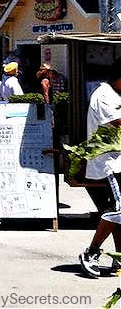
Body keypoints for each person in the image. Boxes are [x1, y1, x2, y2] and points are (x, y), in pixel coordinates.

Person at [79, 59, 121, 278]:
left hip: (118, 162)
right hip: (109, 163)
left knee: (120, 214)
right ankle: (91, 252)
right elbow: (118, 122)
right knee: (118, 210)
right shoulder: (104, 95)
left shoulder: (116, 95)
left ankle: (119, 259)